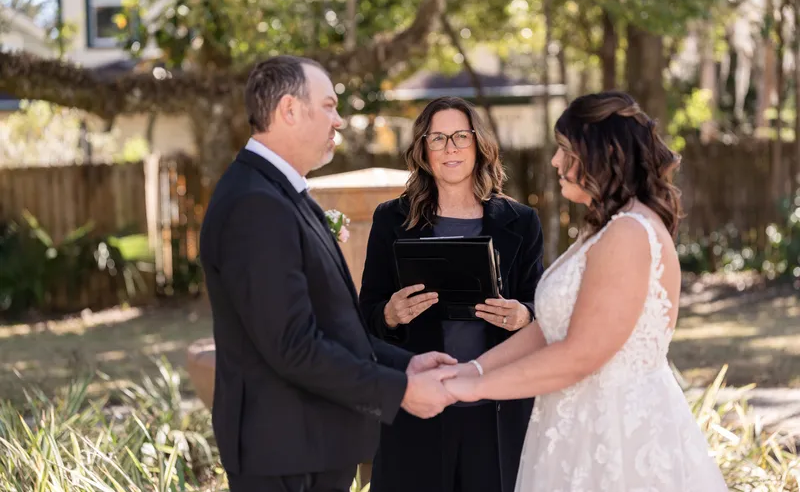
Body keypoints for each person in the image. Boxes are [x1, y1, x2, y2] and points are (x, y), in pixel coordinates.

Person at [443, 91, 728, 491]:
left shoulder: (629, 233)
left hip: (616, 436)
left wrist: (471, 390)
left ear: (600, 153)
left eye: (565, 150)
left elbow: (581, 354)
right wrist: (470, 369)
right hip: (573, 424)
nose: (556, 161)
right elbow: (550, 331)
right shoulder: (604, 229)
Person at [198, 55, 459, 492]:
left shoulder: (280, 192)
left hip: (309, 445)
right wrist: (399, 392)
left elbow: (334, 327)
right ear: (289, 110)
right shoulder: (254, 204)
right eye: (329, 105)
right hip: (284, 453)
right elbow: (293, 345)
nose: (338, 120)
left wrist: (407, 363)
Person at [359, 96, 545, 492]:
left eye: (461, 136)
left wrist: (522, 315)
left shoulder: (522, 222)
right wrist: (390, 314)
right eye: (438, 138)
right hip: (421, 409)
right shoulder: (391, 219)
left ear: (478, 144)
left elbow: (541, 309)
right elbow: (366, 315)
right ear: (423, 150)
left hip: (496, 412)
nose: (450, 148)